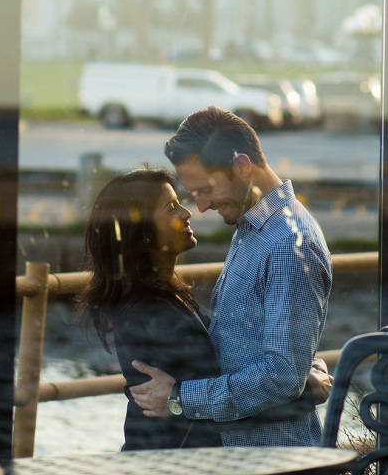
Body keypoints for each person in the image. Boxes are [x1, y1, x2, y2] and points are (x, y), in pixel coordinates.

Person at [130, 106, 333, 446]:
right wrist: (305, 366)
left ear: (241, 166)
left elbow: (282, 376)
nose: (202, 206)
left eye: (206, 189)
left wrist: (180, 398)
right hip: (248, 452)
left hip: (271, 459)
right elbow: (258, 345)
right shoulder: (254, 228)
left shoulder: (286, 244)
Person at [77, 167, 223, 451]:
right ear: (142, 233)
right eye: (171, 208)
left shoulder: (162, 296)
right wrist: (304, 391)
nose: (186, 213)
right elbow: (220, 386)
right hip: (168, 464)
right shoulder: (149, 310)